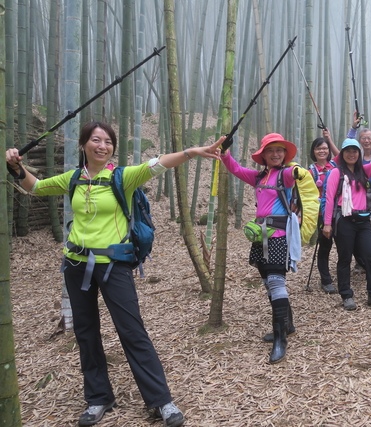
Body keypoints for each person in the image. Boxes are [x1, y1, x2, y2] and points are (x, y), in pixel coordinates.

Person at [5, 121, 221, 426]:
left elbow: (158, 163)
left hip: (113, 266)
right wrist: (16, 166)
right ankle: (98, 398)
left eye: (108, 141)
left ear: (112, 148)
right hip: (76, 264)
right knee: (86, 333)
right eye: (95, 140)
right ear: (84, 144)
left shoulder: (123, 176)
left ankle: (161, 400)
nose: (102, 145)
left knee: (132, 331)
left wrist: (193, 152)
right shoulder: (73, 179)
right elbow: (36, 187)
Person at [213, 133, 304, 364]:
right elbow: (234, 168)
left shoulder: (285, 173)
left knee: (276, 282)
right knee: (268, 283)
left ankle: (280, 338)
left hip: (279, 235)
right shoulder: (259, 177)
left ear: (285, 155)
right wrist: (225, 151)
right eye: (270, 150)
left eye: (280, 150)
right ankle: (288, 324)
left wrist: (298, 171)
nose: (276, 154)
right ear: (263, 155)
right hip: (260, 235)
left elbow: (295, 173)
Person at [323, 138, 371, 311]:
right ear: (342, 154)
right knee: (344, 258)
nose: (351, 154)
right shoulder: (336, 173)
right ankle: (346, 295)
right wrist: (327, 223)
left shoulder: (364, 171)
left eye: (354, 151)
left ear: (359, 154)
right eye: (348, 151)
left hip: (364, 220)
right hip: (344, 220)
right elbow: (329, 199)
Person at [346, 115, 371, 277]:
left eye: (369, 138)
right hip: (359, 194)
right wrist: (353, 129)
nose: (366, 141)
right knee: (359, 227)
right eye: (363, 138)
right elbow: (346, 146)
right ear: (359, 141)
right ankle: (361, 261)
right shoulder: (356, 156)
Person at [308, 128, 340, 294]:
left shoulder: (335, 165)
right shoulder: (310, 171)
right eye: (319, 148)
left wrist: (329, 138)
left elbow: (342, 154)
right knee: (325, 246)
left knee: (344, 245)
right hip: (321, 214)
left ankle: (344, 276)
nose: (322, 151)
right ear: (314, 151)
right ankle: (325, 279)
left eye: (325, 148)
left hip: (339, 211)